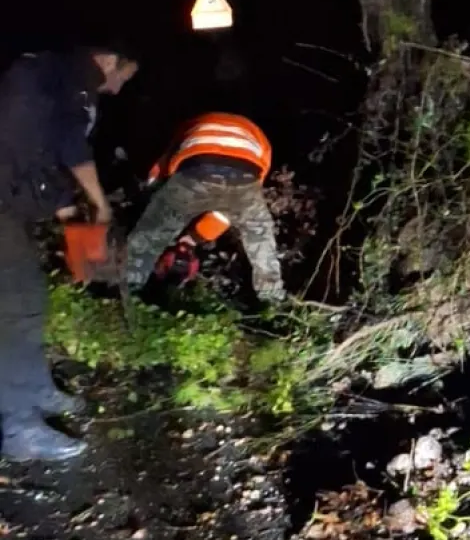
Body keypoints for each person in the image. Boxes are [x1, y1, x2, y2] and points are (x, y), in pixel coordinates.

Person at [0, 45, 138, 463]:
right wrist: (101, 204)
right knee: (18, 307)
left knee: (27, 302)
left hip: (7, 200)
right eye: (124, 76)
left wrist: (70, 219)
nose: (116, 89)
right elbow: (69, 147)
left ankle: (36, 388)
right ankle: (19, 427)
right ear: (109, 60)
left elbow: (33, 153)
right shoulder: (74, 83)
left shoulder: (49, 74)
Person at [122, 112, 284, 303]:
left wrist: (150, 201)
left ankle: (128, 287)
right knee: (259, 237)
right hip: (247, 169)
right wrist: (192, 238)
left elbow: (158, 172)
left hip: (197, 164)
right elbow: (227, 213)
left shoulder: (188, 126)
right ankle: (271, 299)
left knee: (151, 233)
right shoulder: (256, 134)